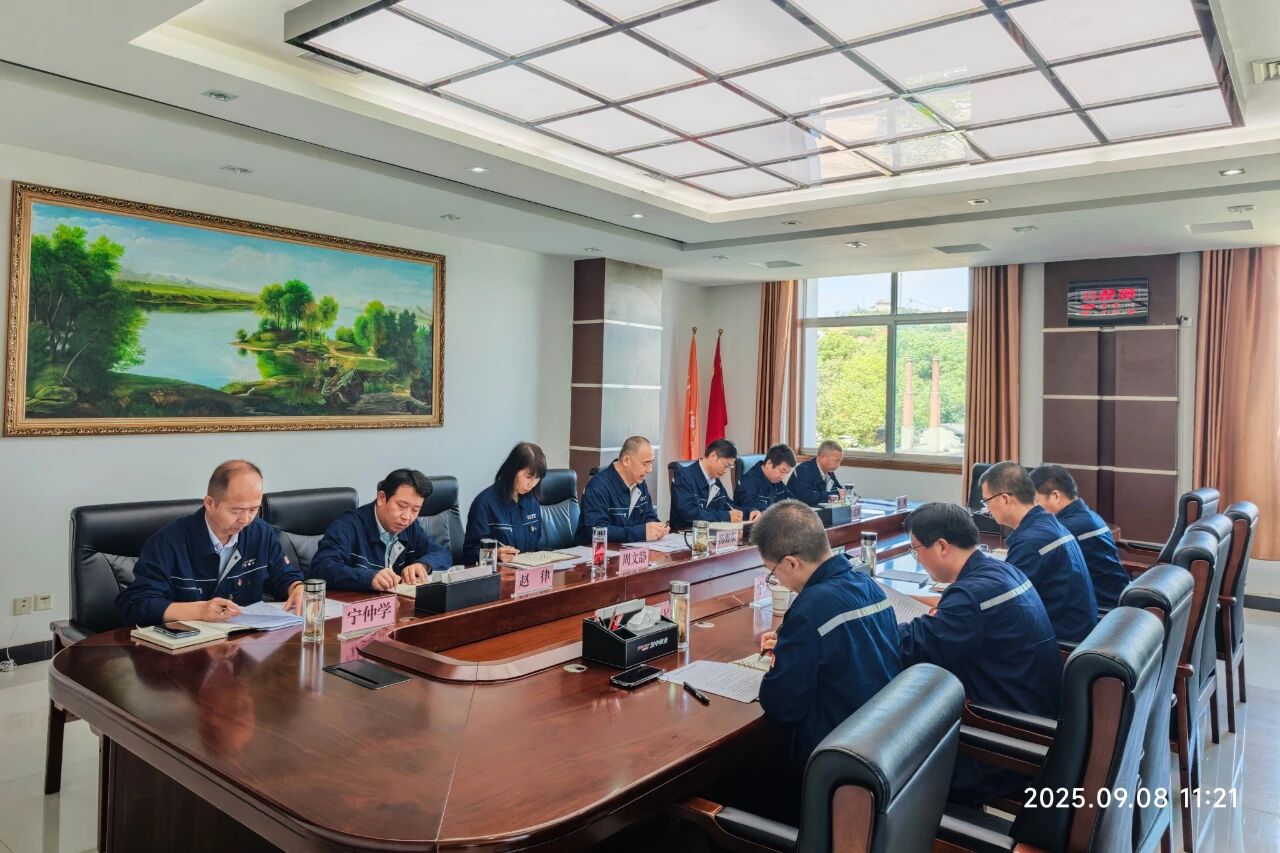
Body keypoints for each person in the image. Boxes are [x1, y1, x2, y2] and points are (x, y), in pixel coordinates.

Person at [898, 502, 1063, 805]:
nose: (918, 559)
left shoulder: (971, 595)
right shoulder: (1002, 570)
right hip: (1034, 718)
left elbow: (912, 646)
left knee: (895, 765)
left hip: (1000, 745)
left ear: (942, 546)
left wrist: (877, 621)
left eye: (916, 550)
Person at [755, 500, 900, 765]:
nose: (778, 581)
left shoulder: (810, 609)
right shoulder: (867, 583)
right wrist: (793, 644)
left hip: (835, 753)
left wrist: (785, 655)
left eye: (773, 573)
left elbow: (781, 704)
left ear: (791, 563)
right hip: (882, 739)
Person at [117, 460, 303, 626]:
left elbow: (282, 575)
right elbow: (136, 605)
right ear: (209, 503)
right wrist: (199, 611)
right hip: (187, 646)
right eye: (236, 511)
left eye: (254, 509)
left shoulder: (260, 532)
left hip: (244, 641)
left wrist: (296, 587)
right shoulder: (168, 542)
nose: (245, 519)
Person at [979, 461, 1097, 642]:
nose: (987, 509)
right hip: (1075, 628)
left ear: (1005, 499)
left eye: (986, 501)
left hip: (1059, 639)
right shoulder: (1048, 523)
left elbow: (1004, 604)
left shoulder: (1031, 542)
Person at [310, 469, 451, 592]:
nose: (407, 517)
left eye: (415, 510)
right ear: (381, 498)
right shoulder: (347, 525)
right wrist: (368, 578)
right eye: (401, 506)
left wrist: (424, 564)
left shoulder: (410, 526)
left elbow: (443, 553)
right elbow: (321, 567)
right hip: (359, 607)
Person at [1030, 465, 1130, 609]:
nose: (1034, 508)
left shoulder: (1066, 529)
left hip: (1101, 608)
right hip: (1115, 597)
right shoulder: (1088, 516)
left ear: (1055, 496)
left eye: (1036, 501)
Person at [463, 442, 547, 565]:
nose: (532, 484)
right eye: (528, 477)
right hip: (498, 573)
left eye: (537, 478)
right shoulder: (484, 504)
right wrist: (496, 554)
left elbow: (538, 546)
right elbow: (469, 554)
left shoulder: (532, 502)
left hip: (528, 572)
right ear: (513, 470)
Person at [577, 435, 668, 544]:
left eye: (651, 462)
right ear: (626, 460)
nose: (650, 469)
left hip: (629, 549)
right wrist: (641, 533)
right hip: (594, 551)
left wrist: (657, 528)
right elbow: (598, 530)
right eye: (645, 463)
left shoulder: (639, 482)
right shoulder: (597, 486)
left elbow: (649, 515)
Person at [669, 439, 743, 529]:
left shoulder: (715, 480)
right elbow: (690, 514)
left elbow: (728, 505)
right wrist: (726, 516)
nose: (726, 470)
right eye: (725, 465)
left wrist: (749, 512)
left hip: (709, 532)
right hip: (684, 532)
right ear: (713, 456)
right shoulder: (684, 476)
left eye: (729, 467)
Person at [734, 444, 797, 519]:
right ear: (769, 463)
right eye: (782, 471)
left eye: (786, 473)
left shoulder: (776, 480)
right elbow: (748, 506)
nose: (782, 477)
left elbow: (791, 500)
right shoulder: (748, 482)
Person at [787, 440, 847, 507]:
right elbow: (806, 497)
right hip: (795, 511)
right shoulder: (803, 470)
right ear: (822, 458)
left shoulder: (829, 472)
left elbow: (840, 490)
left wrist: (842, 493)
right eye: (836, 461)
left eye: (840, 461)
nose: (838, 465)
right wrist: (834, 495)